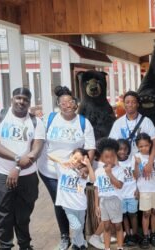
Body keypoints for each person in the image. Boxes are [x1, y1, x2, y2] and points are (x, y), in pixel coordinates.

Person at [38, 86, 96, 250]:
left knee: (78, 203)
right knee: (60, 203)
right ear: (58, 104)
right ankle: (65, 237)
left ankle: (79, 239)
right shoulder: (49, 119)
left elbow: (90, 147)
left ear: (75, 103)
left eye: (70, 101)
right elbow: (37, 138)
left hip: (76, 173)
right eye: (63, 102)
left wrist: (86, 166)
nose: (67, 105)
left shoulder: (83, 122)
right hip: (50, 171)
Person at [0, 87, 45, 250]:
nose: (21, 102)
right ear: (12, 99)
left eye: (25, 99)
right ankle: (5, 246)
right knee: (3, 215)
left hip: (27, 177)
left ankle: (25, 245)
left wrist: (18, 168)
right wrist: (17, 159)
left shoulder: (36, 122)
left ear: (29, 103)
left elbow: (37, 149)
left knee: (23, 215)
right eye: (18, 98)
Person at [50, 148, 95, 250]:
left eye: (79, 161)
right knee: (76, 227)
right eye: (74, 158)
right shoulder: (62, 168)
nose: (76, 162)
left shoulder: (83, 173)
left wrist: (88, 165)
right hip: (68, 205)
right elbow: (50, 155)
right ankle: (81, 244)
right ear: (71, 156)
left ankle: (77, 243)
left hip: (81, 206)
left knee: (81, 226)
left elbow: (93, 180)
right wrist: (64, 161)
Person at [94, 138, 125, 250]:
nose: (109, 159)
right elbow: (97, 189)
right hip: (103, 201)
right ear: (102, 157)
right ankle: (107, 248)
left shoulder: (119, 170)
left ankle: (120, 247)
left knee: (117, 225)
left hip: (114, 200)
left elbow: (119, 185)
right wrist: (96, 205)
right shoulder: (98, 171)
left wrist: (110, 174)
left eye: (112, 156)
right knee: (106, 226)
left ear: (115, 156)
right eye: (106, 157)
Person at [132, 133, 155, 248]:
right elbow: (135, 175)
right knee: (146, 213)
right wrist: (137, 164)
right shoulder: (136, 156)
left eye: (146, 145)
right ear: (137, 147)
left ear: (150, 145)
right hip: (143, 189)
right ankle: (145, 236)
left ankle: (153, 234)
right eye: (141, 146)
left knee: (154, 212)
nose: (144, 148)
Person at [109, 91, 155, 157]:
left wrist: (150, 162)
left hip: (142, 161)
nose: (130, 105)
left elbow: (154, 142)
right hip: (124, 162)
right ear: (124, 104)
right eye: (127, 102)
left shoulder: (146, 122)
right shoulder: (118, 123)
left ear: (138, 104)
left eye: (133, 102)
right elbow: (112, 144)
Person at [116, 139, 140, 246]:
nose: (122, 151)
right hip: (120, 195)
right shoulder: (114, 163)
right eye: (120, 149)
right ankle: (128, 234)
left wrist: (138, 189)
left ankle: (134, 234)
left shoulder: (132, 160)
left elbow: (137, 176)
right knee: (124, 215)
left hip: (131, 193)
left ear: (128, 150)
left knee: (133, 214)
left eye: (125, 149)